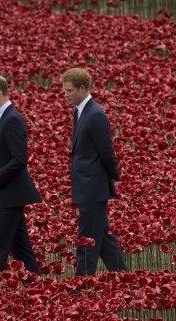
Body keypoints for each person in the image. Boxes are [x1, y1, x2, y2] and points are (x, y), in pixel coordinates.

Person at [60, 68, 128, 276]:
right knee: (104, 237)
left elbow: (106, 151)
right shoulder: (80, 111)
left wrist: (113, 176)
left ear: (82, 89)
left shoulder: (95, 114)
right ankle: (124, 277)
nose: (66, 94)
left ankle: (82, 283)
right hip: (87, 184)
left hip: (93, 186)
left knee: (87, 238)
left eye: (69, 90)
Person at [0, 74, 41, 281]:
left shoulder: (12, 119)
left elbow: (19, 160)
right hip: (8, 194)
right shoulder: (0, 117)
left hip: (11, 194)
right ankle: (37, 289)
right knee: (22, 249)